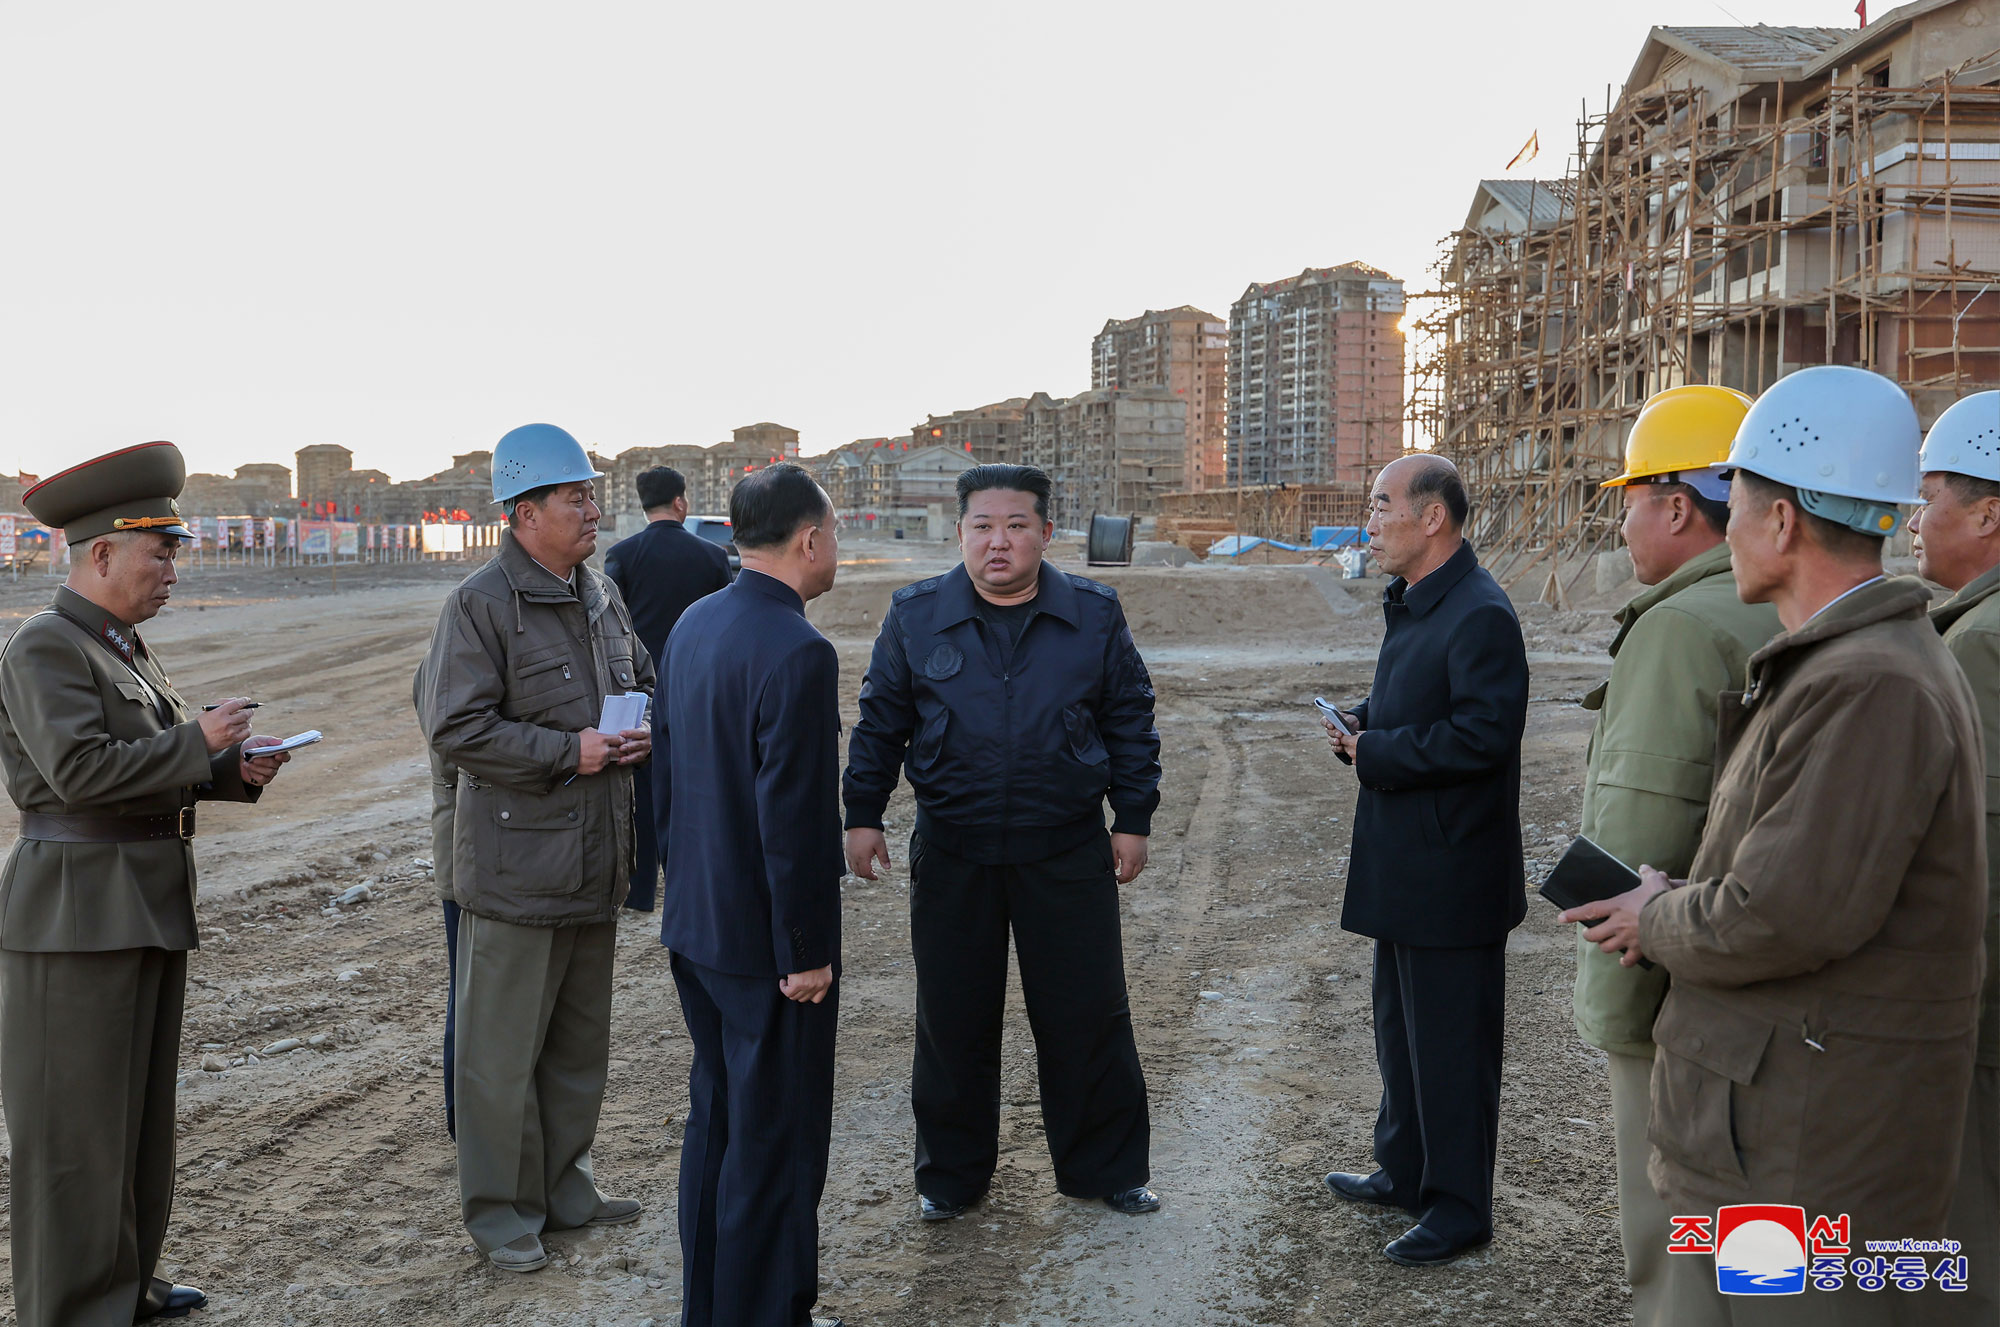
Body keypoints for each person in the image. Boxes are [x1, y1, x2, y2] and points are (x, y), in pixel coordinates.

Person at [1573, 367, 1986, 1324]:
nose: (1725, 532)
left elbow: (1785, 913)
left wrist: (1657, 913)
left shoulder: (1870, 682)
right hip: (1779, 1125)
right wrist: (1686, 891)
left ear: (1782, 521)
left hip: (1810, 1148)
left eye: (1738, 503)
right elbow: (1797, 872)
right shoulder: (1848, 662)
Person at [0, 441, 293, 1326]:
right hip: (75, 911)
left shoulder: (119, 648)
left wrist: (232, 770)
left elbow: (143, 764)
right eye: (159, 550)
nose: (173, 566)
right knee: (73, 1135)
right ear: (100, 554)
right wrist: (196, 742)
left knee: (134, 1119)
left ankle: (125, 1283)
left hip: (139, 899)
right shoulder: (45, 647)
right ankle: (72, 1304)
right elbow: (83, 773)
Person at [844, 463, 1163, 1222]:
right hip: (956, 851)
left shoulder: (1093, 613)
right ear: (960, 533)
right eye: (983, 526)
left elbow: (1130, 716)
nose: (999, 542)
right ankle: (950, 1178)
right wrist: (862, 812)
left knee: (1087, 1014)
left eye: (1017, 525)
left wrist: (1135, 817)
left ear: (1046, 534)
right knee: (953, 1019)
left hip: (1066, 849)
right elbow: (881, 720)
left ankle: (1105, 1168)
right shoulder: (916, 615)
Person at [420, 422, 654, 1274]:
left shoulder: (602, 595)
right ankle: (500, 1213)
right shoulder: (482, 606)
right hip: (517, 871)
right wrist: (572, 751)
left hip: (595, 862)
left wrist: (637, 732)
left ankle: (566, 1189)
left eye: (592, 493)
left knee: (577, 1045)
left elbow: (644, 682)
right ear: (523, 513)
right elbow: (457, 727)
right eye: (574, 496)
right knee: (499, 1058)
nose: (592, 509)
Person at [1571, 386, 1780, 1323]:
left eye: (1628, 500)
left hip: (1670, 981)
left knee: (1676, 1224)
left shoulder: (1678, 629)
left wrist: (1615, 1009)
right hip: (1760, 972)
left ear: (1677, 504)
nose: (1620, 524)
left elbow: (1638, 827)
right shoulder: (1779, 608)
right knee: (1761, 1223)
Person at [1320, 452, 1529, 1267]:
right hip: (1405, 864)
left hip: (1452, 875)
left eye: (1380, 505)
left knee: (1450, 1049)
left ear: (1432, 516)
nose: (1368, 521)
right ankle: (1404, 1172)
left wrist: (1377, 750)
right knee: (1400, 1033)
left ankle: (1458, 1207)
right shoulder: (1415, 604)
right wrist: (1361, 720)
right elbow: (1418, 704)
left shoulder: (1480, 612)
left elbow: (1481, 735)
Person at [654, 462, 846, 1327]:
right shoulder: (799, 650)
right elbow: (795, 821)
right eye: (833, 535)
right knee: (776, 1144)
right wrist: (806, 951)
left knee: (719, 1127)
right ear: (810, 540)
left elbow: (665, 779)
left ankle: (713, 1310)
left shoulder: (695, 623)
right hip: (769, 947)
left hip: (698, 925)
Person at [1910, 390, 2000, 1326]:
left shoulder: (1977, 644)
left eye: (1931, 497)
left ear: (1988, 513)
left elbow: (1972, 852)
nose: (1914, 521)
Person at [603, 464, 730, 912]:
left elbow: (608, 623)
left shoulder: (621, 555)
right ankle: (688, 882)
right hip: (695, 682)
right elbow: (724, 623)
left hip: (637, 685)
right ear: (680, 502)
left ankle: (638, 893)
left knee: (640, 783)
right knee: (695, 780)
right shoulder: (711, 557)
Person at [411, 649, 461, 1138]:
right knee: (469, 994)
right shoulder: (450, 661)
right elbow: (453, 756)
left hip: (467, 848)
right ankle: (463, 1119)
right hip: (467, 850)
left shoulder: (445, 656)